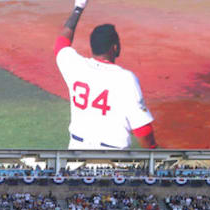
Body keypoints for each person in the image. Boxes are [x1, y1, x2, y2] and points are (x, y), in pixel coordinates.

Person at [55, 0, 158, 150]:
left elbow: (61, 43)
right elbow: (142, 130)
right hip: (112, 158)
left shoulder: (75, 66)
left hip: (75, 153)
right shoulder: (125, 79)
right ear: (115, 47)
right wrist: (155, 153)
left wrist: (78, 8)